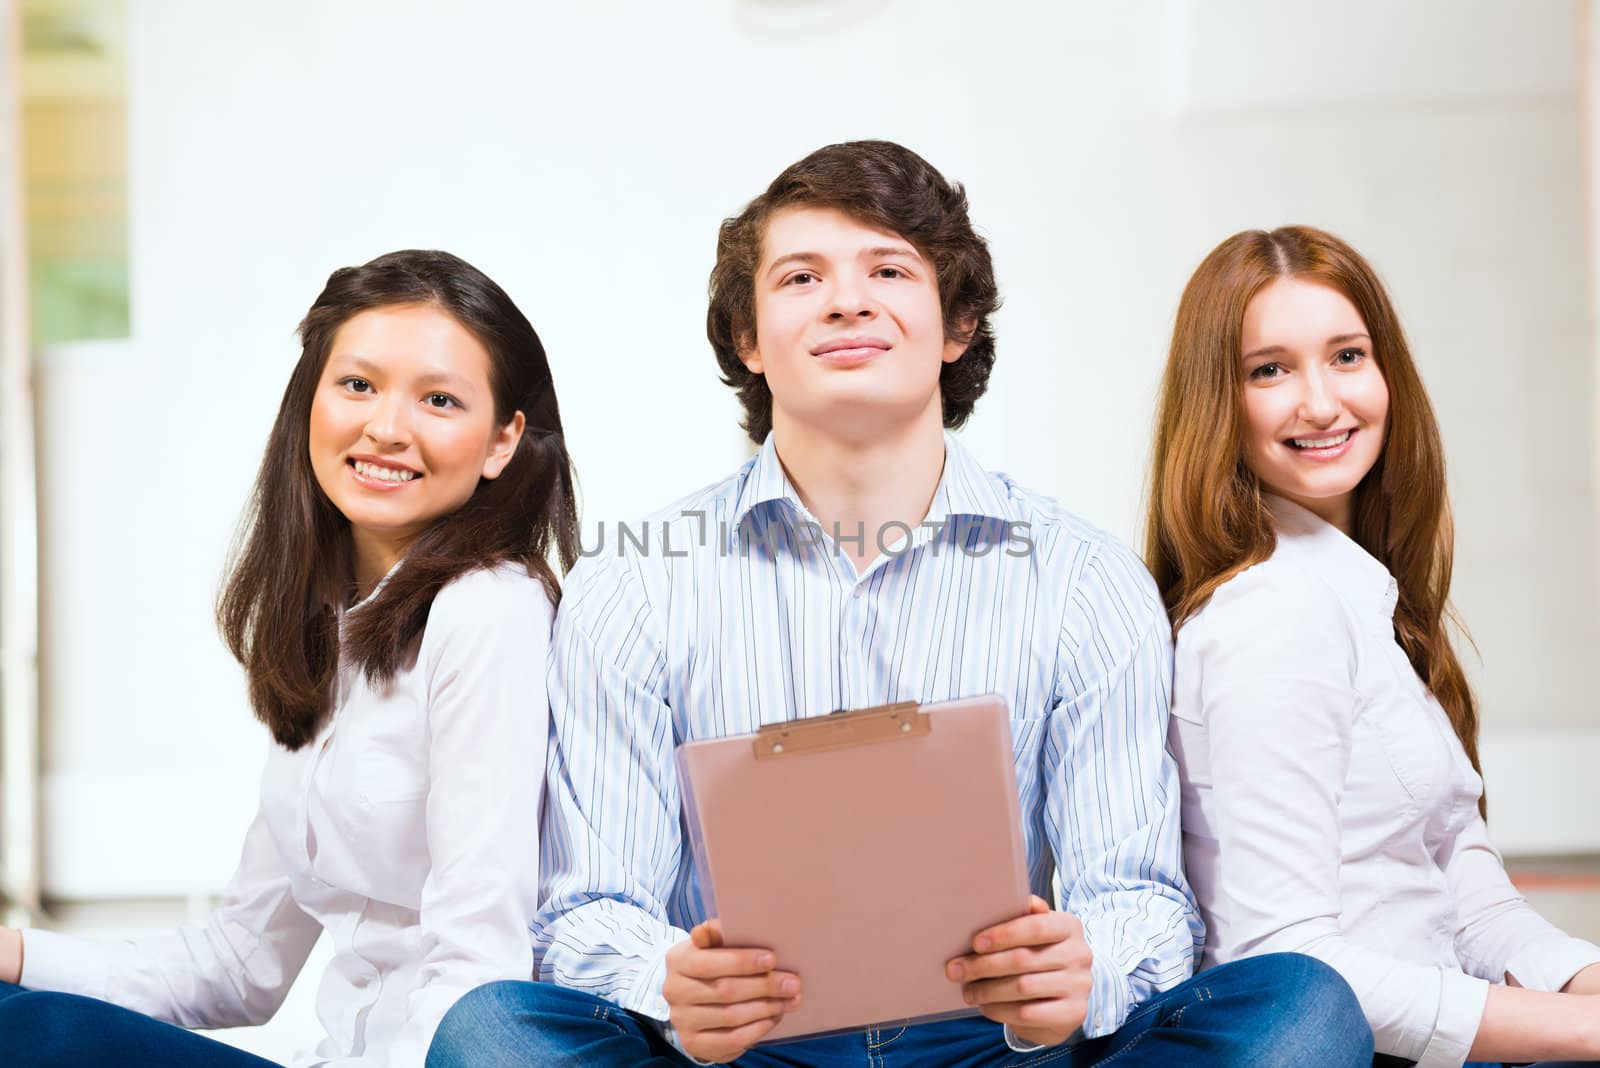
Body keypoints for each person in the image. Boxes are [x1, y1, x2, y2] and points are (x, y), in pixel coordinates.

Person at [426, 142, 1371, 1068]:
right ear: (747, 339)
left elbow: (1142, 900)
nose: (847, 299)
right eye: (801, 278)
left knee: (1298, 1005)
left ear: (957, 325)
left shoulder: (1085, 579)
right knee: (491, 1031)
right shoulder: (635, 585)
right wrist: (668, 984)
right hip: (748, 1053)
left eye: (889, 269)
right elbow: (587, 909)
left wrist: (1085, 971)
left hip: (1002, 1049)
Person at [0, 249, 579, 1067]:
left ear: (501, 442)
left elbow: (477, 970)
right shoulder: (327, 622)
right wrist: (16, 952)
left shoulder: (488, 609)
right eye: (358, 385)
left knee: (21, 1035)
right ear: (311, 398)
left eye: (439, 399)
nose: (386, 426)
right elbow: (242, 963)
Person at [1147, 225, 1600, 1068]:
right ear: (1218, 402)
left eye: (1347, 356)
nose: (1321, 403)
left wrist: (1586, 990)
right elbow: (1291, 965)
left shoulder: (1362, 599)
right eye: (1269, 369)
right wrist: (1579, 1031)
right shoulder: (1272, 614)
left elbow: (1469, 905)